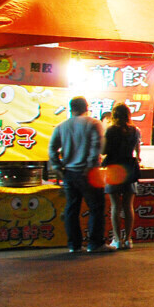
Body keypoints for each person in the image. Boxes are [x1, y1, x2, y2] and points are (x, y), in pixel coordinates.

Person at [49, 96, 111, 253]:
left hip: (69, 172)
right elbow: (96, 147)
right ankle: (95, 243)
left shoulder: (61, 126)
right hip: (89, 172)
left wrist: (58, 166)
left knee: (72, 208)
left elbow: (52, 149)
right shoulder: (94, 123)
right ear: (87, 107)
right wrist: (90, 165)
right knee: (96, 207)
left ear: (71, 109)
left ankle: (74, 246)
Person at [102, 103, 141, 250]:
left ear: (114, 115)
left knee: (115, 206)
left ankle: (117, 239)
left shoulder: (111, 130)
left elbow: (104, 150)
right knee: (128, 205)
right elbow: (137, 150)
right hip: (129, 167)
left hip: (114, 168)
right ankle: (128, 239)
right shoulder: (135, 130)